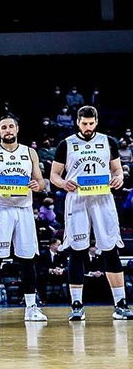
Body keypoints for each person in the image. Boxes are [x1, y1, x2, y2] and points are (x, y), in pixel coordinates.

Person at [49, 105, 133, 320]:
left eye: (91, 123)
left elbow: (117, 170)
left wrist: (119, 178)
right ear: (78, 122)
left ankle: (121, 304)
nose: (88, 127)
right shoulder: (66, 144)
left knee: (110, 249)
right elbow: (54, 175)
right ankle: (77, 305)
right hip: (77, 198)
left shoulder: (108, 141)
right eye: (84, 123)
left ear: (96, 122)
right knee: (77, 250)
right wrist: (63, 183)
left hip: (103, 198)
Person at [0, 114, 47, 322]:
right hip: (0, 209)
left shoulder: (30, 152)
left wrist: (37, 185)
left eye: (11, 126)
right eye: (3, 127)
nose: (8, 130)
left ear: (17, 129)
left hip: (24, 209)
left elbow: (41, 182)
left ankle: (31, 307)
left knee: (27, 259)